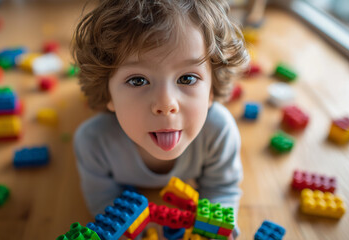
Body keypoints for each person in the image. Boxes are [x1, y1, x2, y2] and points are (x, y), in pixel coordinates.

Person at [72, 0, 249, 238]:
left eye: (186, 78)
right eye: (138, 80)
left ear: (212, 90)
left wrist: (217, 230)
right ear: (108, 93)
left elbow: (221, 188)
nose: (166, 105)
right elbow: (103, 199)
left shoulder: (218, 132)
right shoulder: (94, 142)